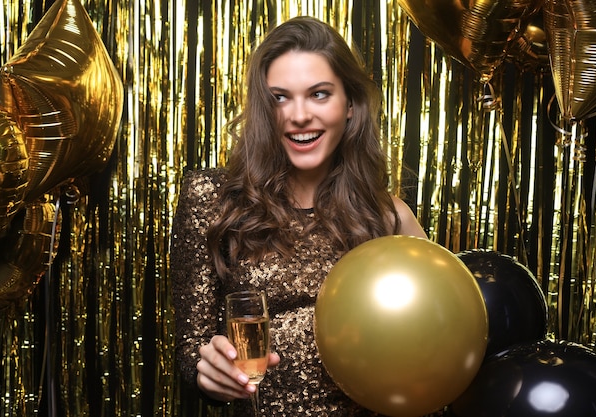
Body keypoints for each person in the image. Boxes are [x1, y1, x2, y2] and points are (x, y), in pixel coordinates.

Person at [170, 16, 427, 416]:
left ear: (351, 106)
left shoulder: (390, 218)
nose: (299, 115)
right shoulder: (212, 198)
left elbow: (429, 351)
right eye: (279, 97)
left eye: (319, 94)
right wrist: (209, 373)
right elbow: (191, 348)